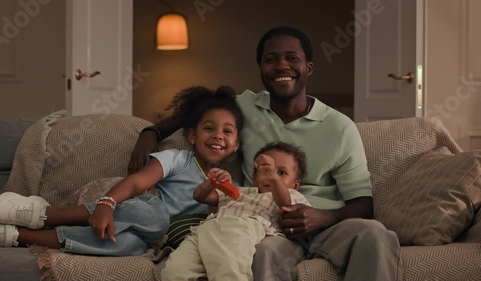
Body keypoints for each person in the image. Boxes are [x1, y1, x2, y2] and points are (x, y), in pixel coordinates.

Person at [129, 26, 401, 280]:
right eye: (271, 59)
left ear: (309, 67)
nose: (282, 66)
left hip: (327, 226)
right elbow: (198, 111)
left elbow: (364, 204)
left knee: (376, 234)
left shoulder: (340, 127)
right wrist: (150, 132)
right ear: (261, 69)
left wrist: (323, 216)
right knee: (265, 254)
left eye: (292, 58)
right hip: (267, 227)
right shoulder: (245, 106)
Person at [0, 86, 243, 257]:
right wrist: (107, 203)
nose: (217, 136)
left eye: (227, 132)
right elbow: (136, 183)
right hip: (134, 211)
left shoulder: (228, 184)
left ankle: (17, 236)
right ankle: (44, 214)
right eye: (209, 128)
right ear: (192, 135)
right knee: (154, 212)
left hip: (151, 241)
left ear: (236, 145)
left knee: (126, 245)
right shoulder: (178, 159)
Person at [161, 142, 310, 280]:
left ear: (295, 185)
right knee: (174, 271)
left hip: (242, 227)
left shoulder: (292, 196)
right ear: (254, 177)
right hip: (207, 228)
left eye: (282, 173)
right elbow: (199, 196)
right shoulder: (240, 192)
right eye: (265, 169)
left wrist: (273, 178)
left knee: (228, 267)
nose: (272, 174)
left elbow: (285, 203)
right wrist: (212, 183)